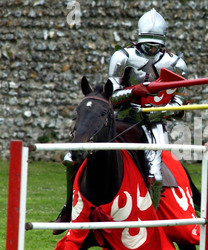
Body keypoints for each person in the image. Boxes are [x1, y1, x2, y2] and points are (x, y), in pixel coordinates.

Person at [53, 8, 188, 232]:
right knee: (71, 158)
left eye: (155, 43)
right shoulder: (123, 57)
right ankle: (68, 209)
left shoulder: (176, 64)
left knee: (155, 174)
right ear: (139, 38)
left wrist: (157, 110)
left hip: (153, 123)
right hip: (121, 118)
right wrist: (134, 92)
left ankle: (152, 222)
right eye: (147, 43)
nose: (151, 48)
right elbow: (110, 96)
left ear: (163, 40)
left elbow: (180, 103)